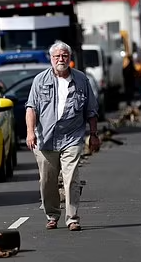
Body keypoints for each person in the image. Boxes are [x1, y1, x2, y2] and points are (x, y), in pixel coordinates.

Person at [25, 41, 100, 231]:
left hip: (72, 137)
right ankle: (52, 215)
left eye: (64, 56)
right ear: (51, 59)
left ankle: (72, 218)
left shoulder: (81, 80)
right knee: (47, 181)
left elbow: (91, 110)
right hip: (45, 138)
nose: (61, 59)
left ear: (70, 58)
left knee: (72, 178)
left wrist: (93, 134)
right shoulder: (40, 80)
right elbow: (31, 108)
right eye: (57, 56)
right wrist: (30, 133)